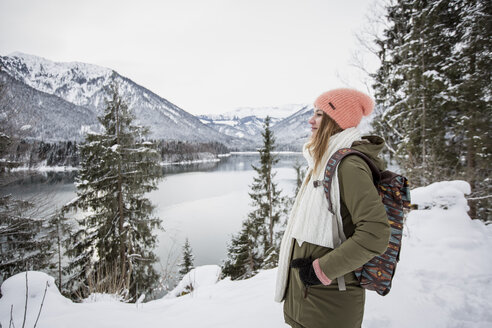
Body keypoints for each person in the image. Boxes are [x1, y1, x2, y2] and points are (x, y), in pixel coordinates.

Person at [274, 88, 391, 328]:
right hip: (309, 300)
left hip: (328, 303)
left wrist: (319, 271)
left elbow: (375, 234)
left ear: (336, 120)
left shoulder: (348, 165)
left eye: (319, 114)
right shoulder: (324, 161)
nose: (310, 120)